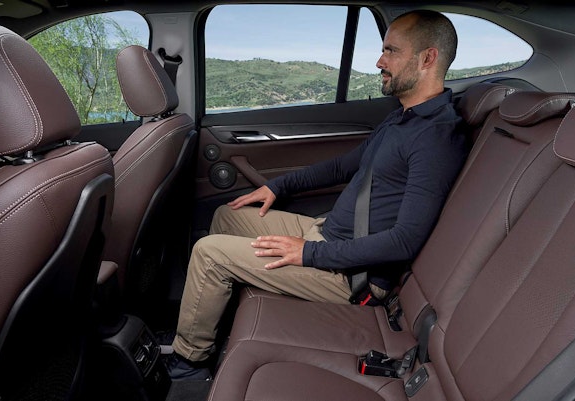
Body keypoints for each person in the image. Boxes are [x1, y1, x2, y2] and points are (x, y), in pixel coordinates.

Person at [165, 9, 466, 379]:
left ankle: (191, 361)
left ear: (427, 58)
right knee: (227, 214)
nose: (379, 61)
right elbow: (342, 166)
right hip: (327, 234)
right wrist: (276, 186)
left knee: (209, 254)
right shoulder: (403, 118)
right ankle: (214, 316)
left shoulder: (436, 137)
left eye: (391, 51)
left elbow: (404, 241)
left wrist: (308, 253)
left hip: (351, 276)